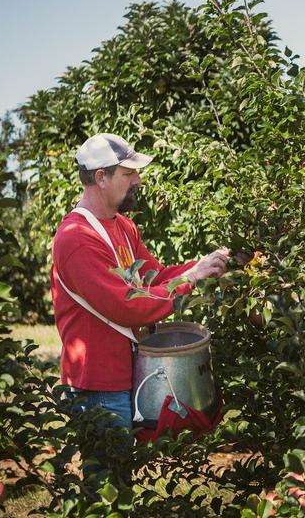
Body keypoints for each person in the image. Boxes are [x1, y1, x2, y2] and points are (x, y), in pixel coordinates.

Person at [50, 133, 227, 449]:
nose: (138, 180)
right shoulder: (76, 238)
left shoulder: (123, 227)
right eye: (128, 173)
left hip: (129, 373)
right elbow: (125, 306)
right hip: (98, 386)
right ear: (101, 177)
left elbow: (154, 278)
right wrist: (191, 279)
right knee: (108, 486)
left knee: (122, 482)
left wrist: (202, 266)